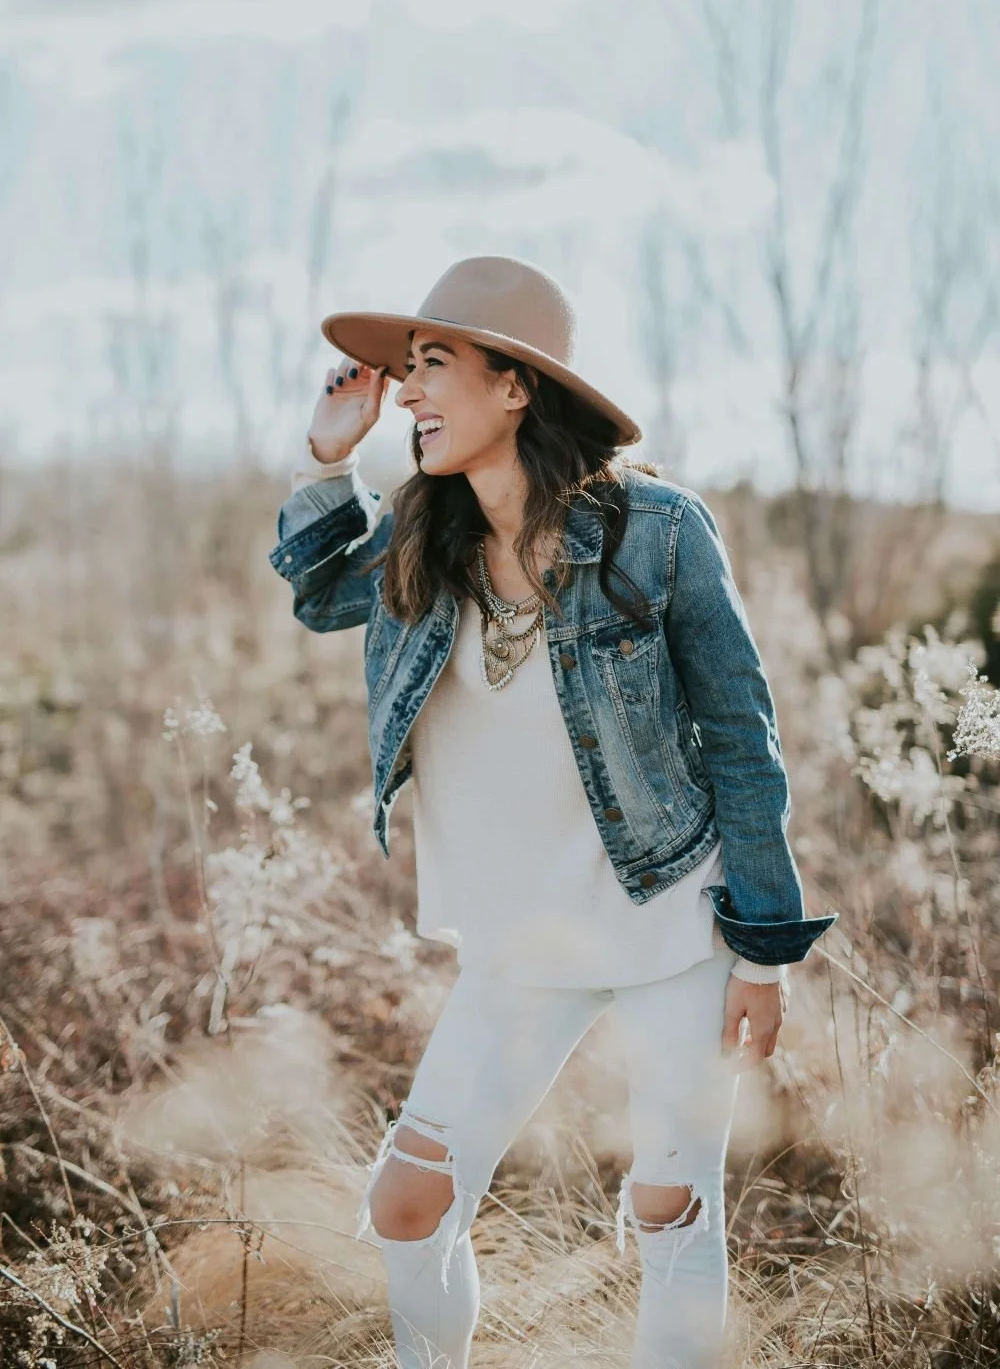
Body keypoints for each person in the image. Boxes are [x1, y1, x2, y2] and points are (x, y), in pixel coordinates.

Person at [268, 255, 837, 1369]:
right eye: (408, 372)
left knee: (672, 1208)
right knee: (409, 1203)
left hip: (673, 921)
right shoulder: (421, 540)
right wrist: (329, 458)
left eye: (434, 367)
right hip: (518, 946)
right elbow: (320, 592)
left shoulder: (656, 530)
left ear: (516, 386)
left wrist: (763, 951)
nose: (410, 394)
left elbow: (739, 731)